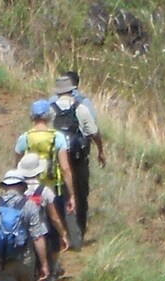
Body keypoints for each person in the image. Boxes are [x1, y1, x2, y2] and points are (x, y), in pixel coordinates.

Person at [50, 74, 106, 250]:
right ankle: (78, 234)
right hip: (79, 158)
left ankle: (61, 234)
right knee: (80, 195)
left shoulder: (49, 110)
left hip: (57, 159)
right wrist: (101, 150)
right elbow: (93, 132)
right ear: (72, 90)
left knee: (58, 194)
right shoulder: (81, 108)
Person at [17, 153, 69, 281]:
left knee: (31, 274)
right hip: (44, 236)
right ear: (39, 172)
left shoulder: (18, 192)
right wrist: (63, 234)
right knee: (51, 269)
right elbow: (54, 218)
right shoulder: (45, 191)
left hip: (24, 240)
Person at [14, 99, 76, 219]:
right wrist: (72, 195)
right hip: (54, 188)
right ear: (49, 115)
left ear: (32, 116)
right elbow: (65, 168)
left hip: (30, 190)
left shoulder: (24, 138)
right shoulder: (58, 137)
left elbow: (18, 166)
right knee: (55, 224)